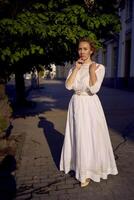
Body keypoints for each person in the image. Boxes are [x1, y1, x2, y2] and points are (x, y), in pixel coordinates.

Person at [60, 37, 118, 187]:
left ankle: (88, 172)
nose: (82, 51)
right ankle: (78, 167)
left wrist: (92, 71)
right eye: (80, 49)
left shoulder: (99, 67)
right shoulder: (75, 67)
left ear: (91, 50)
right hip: (75, 103)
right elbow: (68, 86)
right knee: (78, 135)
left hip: (90, 104)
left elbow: (94, 89)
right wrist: (76, 69)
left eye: (85, 49)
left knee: (90, 136)